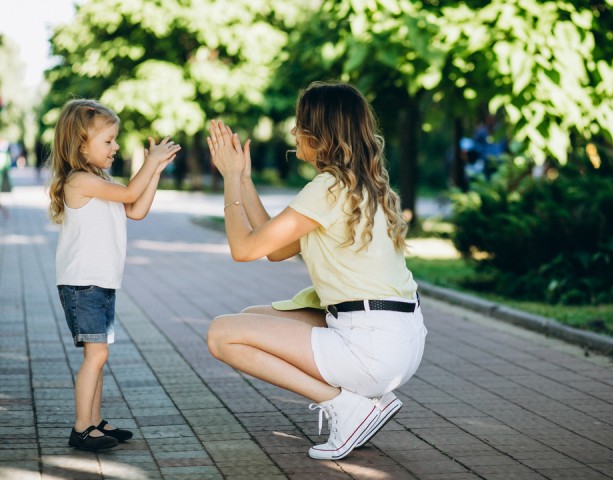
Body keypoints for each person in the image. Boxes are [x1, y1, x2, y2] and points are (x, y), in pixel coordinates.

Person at [206, 81, 427, 461]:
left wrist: (227, 181)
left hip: (371, 348)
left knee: (222, 335)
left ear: (319, 135)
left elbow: (244, 249)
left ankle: (347, 407)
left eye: (299, 125)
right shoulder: (360, 182)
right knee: (250, 320)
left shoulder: (327, 188)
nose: (293, 132)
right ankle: (368, 399)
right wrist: (243, 178)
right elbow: (276, 251)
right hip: (399, 340)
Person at [47, 99, 181, 451]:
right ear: (80, 144)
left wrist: (156, 170)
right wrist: (148, 164)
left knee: (98, 354)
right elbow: (130, 194)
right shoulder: (79, 181)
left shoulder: (99, 180)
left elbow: (136, 209)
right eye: (108, 141)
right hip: (83, 282)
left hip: (100, 281)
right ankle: (81, 428)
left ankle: (93, 421)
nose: (115, 146)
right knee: (97, 355)